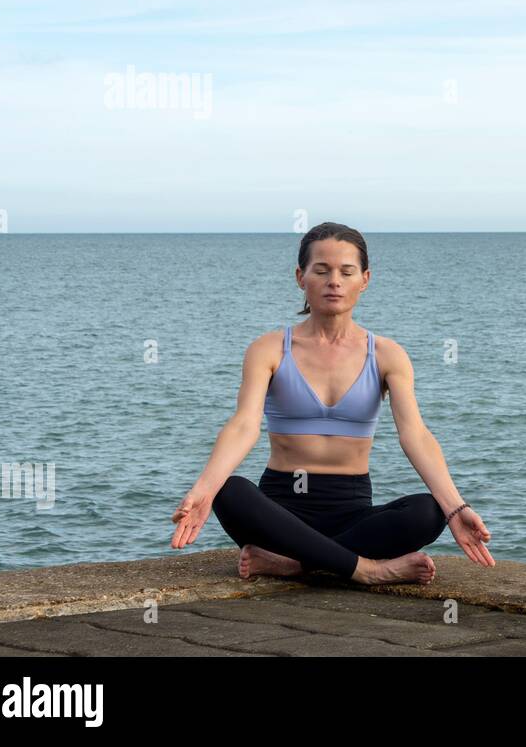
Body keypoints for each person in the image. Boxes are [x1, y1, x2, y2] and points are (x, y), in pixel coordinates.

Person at [169, 222, 494, 585]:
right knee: (229, 491)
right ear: (300, 276)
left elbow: (414, 434)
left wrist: (456, 507)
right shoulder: (269, 349)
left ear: (365, 279)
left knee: (428, 511)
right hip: (280, 510)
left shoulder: (387, 354)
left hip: (351, 511)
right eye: (321, 270)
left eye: (346, 272)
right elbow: (244, 425)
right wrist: (203, 489)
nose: (334, 281)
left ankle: (294, 564)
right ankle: (366, 570)